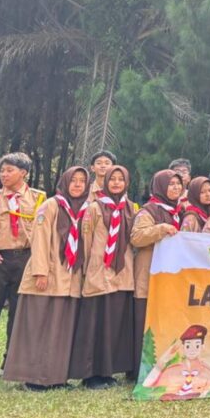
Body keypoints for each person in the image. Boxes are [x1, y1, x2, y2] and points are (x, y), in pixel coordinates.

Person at [2, 166, 90, 390]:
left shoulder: (86, 209)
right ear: (65, 182)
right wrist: (40, 271)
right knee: (39, 326)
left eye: (82, 181)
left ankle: (56, 377)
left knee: (61, 329)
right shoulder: (51, 205)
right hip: (49, 275)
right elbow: (39, 239)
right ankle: (34, 378)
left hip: (70, 279)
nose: (77, 185)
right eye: (73, 180)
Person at [0, 152, 47, 380]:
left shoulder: (39, 198)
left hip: (25, 260)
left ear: (23, 173)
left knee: (19, 314)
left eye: (9, 170)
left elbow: (44, 232)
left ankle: (11, 363)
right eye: (2, 171)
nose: (4, 175)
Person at [70, 165, 137, 389]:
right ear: (105, 182)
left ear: (126, 183)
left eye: (121, 179)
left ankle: (108, 372)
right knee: (95, 324)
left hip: (123, 273)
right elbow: (86, 240)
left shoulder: (131, 208)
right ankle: (91, 374)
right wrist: (89, 268)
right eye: (112, 179)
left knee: (115, 324)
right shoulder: (95, 207)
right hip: (99, 271)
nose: (116, 183)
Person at [130, 170, 184, 379]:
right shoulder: (149, 211)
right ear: (160, 187)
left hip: (172, 277)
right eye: (170, 184)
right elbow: (136, 237)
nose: (175, 188)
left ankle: (167, 366)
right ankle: (140, 369)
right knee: (146, 322)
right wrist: (161, 229)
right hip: (149, 274)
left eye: (178, 184)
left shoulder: (180, 211)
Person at [142, 324, 210, 401]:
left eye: (197, 346)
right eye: (188, 346)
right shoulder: (172, 370)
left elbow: (208, 390)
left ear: (202, 347)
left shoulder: (207, 371)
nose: (192, 350)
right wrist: (162, 361)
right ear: (183, 347)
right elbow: (147, 385)